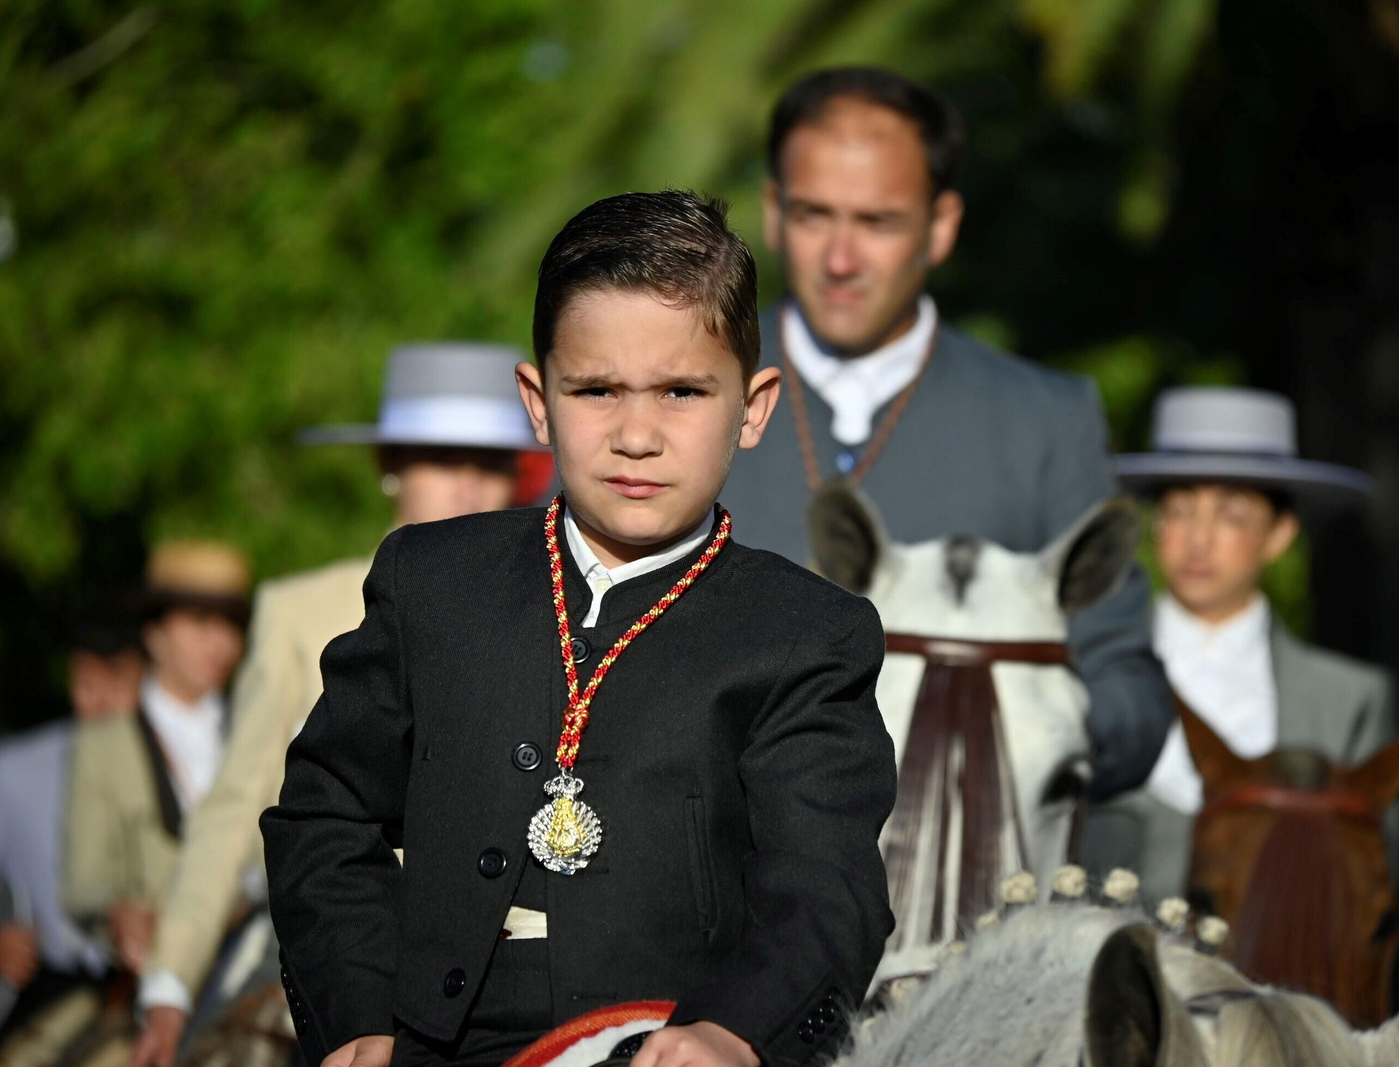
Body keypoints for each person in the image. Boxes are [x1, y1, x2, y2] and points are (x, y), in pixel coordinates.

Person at [261, 190, 896, 1067]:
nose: (636, 434)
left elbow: (827, 887)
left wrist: (734, 1030)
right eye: (596, 389)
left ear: (751, 409)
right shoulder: (432, 581)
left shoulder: (807, 632)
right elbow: (323, 814)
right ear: (537, 399)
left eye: (682, 391)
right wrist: (358, 1012)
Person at [720, 66, 1171, 800]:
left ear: (942, 225)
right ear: (772, 212)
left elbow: (1121, 678)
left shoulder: (1045, 419)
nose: (840, 259)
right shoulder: (674, 391)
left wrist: (1038, 735)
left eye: (878, 222)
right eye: (813, 215)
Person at [131, 343, 541, 1067]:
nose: (467, 487)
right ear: (391, 464)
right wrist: (169, 980)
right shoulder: (298, 613)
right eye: (441, 460)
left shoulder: (565, 621)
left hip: (514, 967)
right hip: (339, 953)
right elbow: (235, 807)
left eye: (490, 463)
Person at [1080, 386, 1395, 899]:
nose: (1199, 539)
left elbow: (1368, 896)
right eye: (1179, 510)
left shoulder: (1347, 702)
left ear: (1279, 534)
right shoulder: (1085, 674)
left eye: (1232, 515)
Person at [64, 542, 252, 973]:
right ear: (155, 633)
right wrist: (119, 916)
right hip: (148, 974)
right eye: (201, 621)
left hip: (255, 969)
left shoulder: (257, 736)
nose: (220, 642)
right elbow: (83, 883)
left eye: (232, 624)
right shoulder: (105, 744)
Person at [0, 609, 140, 1044]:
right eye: (85, 681)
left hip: (145, 993)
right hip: (41, 991)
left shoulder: (178, 768)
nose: (100, 700)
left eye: (117, 681)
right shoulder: (14, 768)